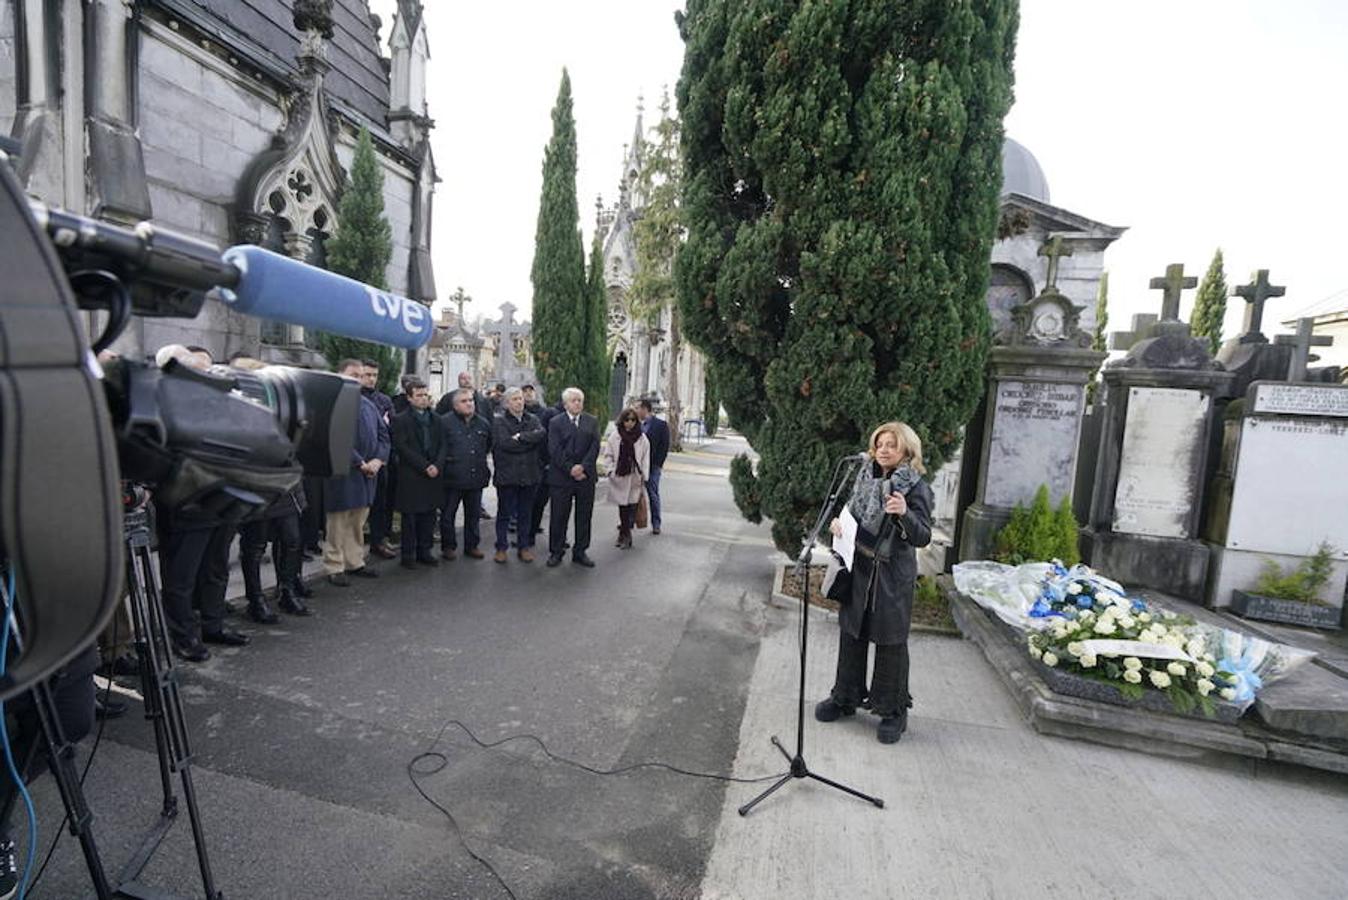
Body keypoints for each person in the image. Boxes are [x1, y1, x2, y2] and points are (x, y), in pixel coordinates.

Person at [815, 421, 933, 745]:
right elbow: (851, 513)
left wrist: (905, 513)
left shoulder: (916, 487)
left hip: (892, 576)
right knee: (851, 635)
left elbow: (923, 535)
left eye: (891, 445)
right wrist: (839, 524)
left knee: (890, 643)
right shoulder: (865, 477)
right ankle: (845, 698)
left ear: (906, 450)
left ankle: (893, 711)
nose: (883, 449)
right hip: (860, 570)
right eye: (880, 444)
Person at [322, 359, 390, 586]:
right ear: (340, 374)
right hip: (345, 472)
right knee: (338, 522)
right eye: (354, 374)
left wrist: (378, 460)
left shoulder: (368, 405)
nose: (360, 379)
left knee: (357, 521)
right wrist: (361, 462)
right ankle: (334, 565)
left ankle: (354, 561)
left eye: (361, 375)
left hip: (368, 473)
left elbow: (384, 436)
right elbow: (335, 437)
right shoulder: (332, 401)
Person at [390, 379, 448, 568]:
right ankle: (408, 554)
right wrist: (424, 466)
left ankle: (425, 550)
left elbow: (443, 445)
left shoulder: (436, 419)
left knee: (429, 515)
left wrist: (437, 465)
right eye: (419, 396)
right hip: (412, 474)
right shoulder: (401, 419)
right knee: (411, 518)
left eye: (426, 395)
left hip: (433, 474)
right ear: (409, 398)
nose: (424, 399)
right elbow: (402, 447)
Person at [545, 387, 600, 568]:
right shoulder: (555, 422)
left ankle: (580, 551)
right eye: (573, 400)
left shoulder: (591, 422)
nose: (577, 403)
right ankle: (556, 551)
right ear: (565, 403)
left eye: (580, 400)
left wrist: (583, 467)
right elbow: (554, 449)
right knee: (559, 515)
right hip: (561, 477)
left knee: (584, 515)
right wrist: (570, 468)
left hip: (585, 476)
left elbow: (594, 447)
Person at [490, 387, 546, 563]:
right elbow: (505, 444)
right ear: (507, 403)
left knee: (525, 513)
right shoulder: (499, 421)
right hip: (508, 475)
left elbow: (541, 435)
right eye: (514, 399)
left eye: (520, 398)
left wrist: (521, 437)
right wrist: (528, 441)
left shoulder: (533, 419)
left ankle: (524, 547)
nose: (519, 402)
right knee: (504, 513)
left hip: (530, 474)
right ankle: (501, 547)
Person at [440, 387, 492, 559]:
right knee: (448, 515)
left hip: (475, 476)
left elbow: (488, 446)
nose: (469, 404)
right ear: (455, 405)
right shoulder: (444, 422)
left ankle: (472, 546)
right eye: (464, 401)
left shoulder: (483, 423)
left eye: (471, 400)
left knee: (473, 515)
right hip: (452, 477)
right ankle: (448, 546)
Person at [361, 360, 398, 560]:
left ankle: (378, 540)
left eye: (374, 375)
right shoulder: (351, 397)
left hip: (381, 461)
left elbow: (391, 429)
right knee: (356, 509)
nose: (372, 379)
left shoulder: (384, 400)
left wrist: (381, 459)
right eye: (367, 374)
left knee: (380, 504)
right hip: (358, 462)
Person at [601, 408, 650, 550]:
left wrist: (644, 475)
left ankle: (625, 535)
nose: (630, 423)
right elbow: (608, 456)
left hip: (635, 476)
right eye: (627, 420)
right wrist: (610, 470)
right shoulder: (615, 436)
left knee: (631, 507)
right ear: (622, 420)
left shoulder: (642, 438)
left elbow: (646, 458)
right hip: (620, 476)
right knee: (622, 506)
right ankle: (625, 534)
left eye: (633, 420)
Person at [636, 399, 670, 535]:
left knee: (653, 494)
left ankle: (656, 523)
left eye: (638, 408)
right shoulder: (635, 424)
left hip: (652, 466)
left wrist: (657, 464)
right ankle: (629, 521)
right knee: (632, 494)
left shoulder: (660, 425)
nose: (636, 410)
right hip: (636, 465)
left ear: (645, 409)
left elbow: (664, 446)